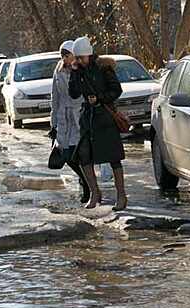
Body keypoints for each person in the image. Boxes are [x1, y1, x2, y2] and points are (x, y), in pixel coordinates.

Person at [69, 36, 127, 211]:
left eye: (81, 58)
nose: (79, 61)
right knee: (83, 156)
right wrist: (74, 73)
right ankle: (95, 193)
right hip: (89, 119)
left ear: (89, 54)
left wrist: (100, 98)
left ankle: (121, 196)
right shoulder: (78, 71)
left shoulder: (103, 68)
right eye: (77, 58)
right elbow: (73, 94)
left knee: (113, 158)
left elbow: (117, 90)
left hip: (105, 118)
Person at [49, 40, 90, 204]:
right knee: (66, 155)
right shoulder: (58, 70)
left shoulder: (81, 69)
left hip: (79, 115)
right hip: (63, 118)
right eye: (63, 56)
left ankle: (88, 185)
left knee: (79, 153)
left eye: (67, 55)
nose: (64, 59)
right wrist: (53, 123)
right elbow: (55, 96)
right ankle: (85, 179)